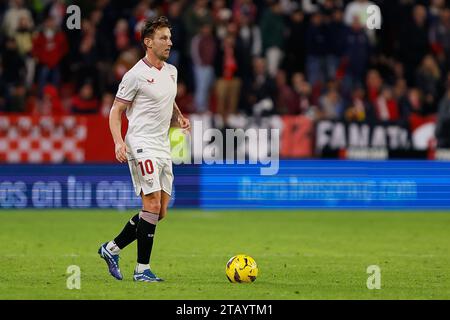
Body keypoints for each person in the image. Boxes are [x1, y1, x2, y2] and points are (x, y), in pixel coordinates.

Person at [98, 16, 190, 283]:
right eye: (163, 38)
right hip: (140, 143)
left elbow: (169, 100)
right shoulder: (135, 75)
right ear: (148, 42)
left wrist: (179, 117)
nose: (169, 42)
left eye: (170, 38)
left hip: (162, 146)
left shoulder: (171, 71)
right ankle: (142, 270)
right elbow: (116, 111)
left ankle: (111, 248)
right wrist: (118, 141)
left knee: (159, 212)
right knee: (149, 204)